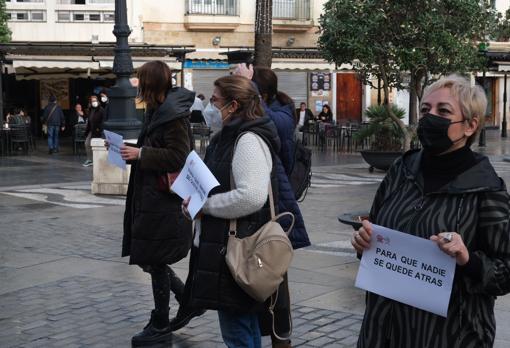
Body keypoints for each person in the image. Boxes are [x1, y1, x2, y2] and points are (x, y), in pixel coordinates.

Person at [351, 74, 510, 348]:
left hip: (449, 335)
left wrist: (466, 258)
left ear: (471, 125)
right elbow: (376, 230)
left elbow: (505, 272)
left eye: (443, 111)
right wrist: (364, 242)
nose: (429, 117)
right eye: (425, 110)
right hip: (383, 331)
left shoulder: (487, 189)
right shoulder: (402, 170)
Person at [182, 74, 281, 348]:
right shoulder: (228, 136)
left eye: (215, 101)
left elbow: (252, 196)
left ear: (233, 105)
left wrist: (206, 206)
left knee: (237, 331)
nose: (210, 108)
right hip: (225, 244)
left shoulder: (247, 140)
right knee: (242, 324)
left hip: (236, 248)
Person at [117, 61, 194, 347]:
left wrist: (141, 154)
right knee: (151, 258)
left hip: (164, 201)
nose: (137, 85)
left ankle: (162, 321)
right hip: (151, 198)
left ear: (151, 84)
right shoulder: (157, 110)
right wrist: (135, 154)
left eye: (141, 81)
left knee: (154, 259)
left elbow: (178, 156)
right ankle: (187, 300)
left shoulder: (173, 116)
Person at [247, 65, 310, 346]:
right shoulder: (265, 108)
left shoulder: (282, 114)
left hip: (276, 203)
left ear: (262, 92)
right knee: (254, 272)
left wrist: (249, 90)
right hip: (259, 201)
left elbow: (270, 123)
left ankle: (279, 337)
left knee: (274, 273)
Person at [82, 96, 104, 167]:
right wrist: (87, 131)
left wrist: (99, 129)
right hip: (91, 130)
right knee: (87, 143)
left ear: (98, 101)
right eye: (92, 101)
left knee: (96, 145)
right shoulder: (91, 110)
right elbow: (89, 121)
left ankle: (94, 160)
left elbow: (103, 121)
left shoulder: (101, 110)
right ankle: (90, 159)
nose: (94, 102)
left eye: (95, 101)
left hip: (98, 131)